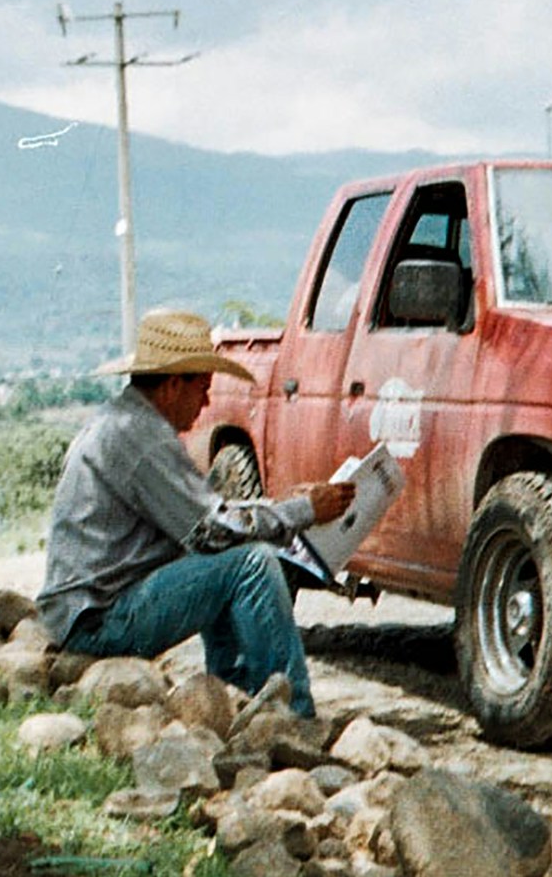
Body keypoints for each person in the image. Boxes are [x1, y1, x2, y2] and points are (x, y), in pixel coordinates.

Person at [34, 307, 355, 717]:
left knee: (226, 559)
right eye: (202, 387)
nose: (205, 402)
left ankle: (232, 696)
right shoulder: (142, 436)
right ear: (172, 386)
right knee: (250, 565)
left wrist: (283, 508)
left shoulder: (124, 422)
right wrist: (303, 510)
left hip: (88, 610)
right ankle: (294, 716)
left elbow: (206, 520)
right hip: (97, 621)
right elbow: (213, 529)